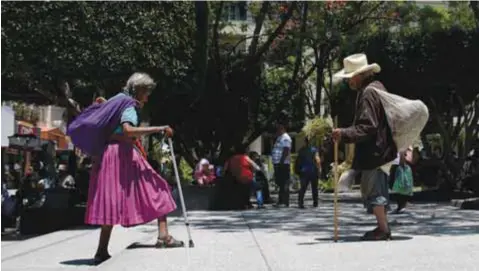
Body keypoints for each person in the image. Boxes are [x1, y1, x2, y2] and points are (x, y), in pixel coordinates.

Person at [84, 72, 183, 264]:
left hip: (108, 156)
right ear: (138, 90)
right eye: (146, 91)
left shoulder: (117, 101)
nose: (147, 96)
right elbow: (128, 130)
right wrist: (159, 128)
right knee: (159, 186)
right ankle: (164, 236)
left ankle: (101, 251)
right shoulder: (129, 105)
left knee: (110, 201)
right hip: (124, 155)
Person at [331, 53, 397, 241]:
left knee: (373, 191)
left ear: (359, 75)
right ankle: (382, 227)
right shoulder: (376, 88)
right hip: (380, 149)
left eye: (350, 77)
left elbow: (368, 126)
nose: (349, 81)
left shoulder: (369, 93)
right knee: (374, 189)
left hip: (376, 151)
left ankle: (383, 229)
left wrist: (343, 134)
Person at [295, 137, 321, 209]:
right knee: (314, 188)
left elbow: (297, 161)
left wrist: (297, 170)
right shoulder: (314, 150)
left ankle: (300, 203)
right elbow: (318, 160)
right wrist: (319, 170)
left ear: (305, 142)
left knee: (303, 188)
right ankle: (315, 203)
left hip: (303, 171)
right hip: (313, 171)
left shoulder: (301, 150)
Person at [272, 121, 292, 208]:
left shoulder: (285, 138)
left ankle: (285, 201)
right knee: (280, 182)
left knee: (284, 182)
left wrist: (281, 161)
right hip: (278, 163)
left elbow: (286, 150)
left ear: (282, 128)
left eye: (279, 128)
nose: (277, 130)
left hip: (283, 164)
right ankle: (281, 201)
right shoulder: (280, 137)